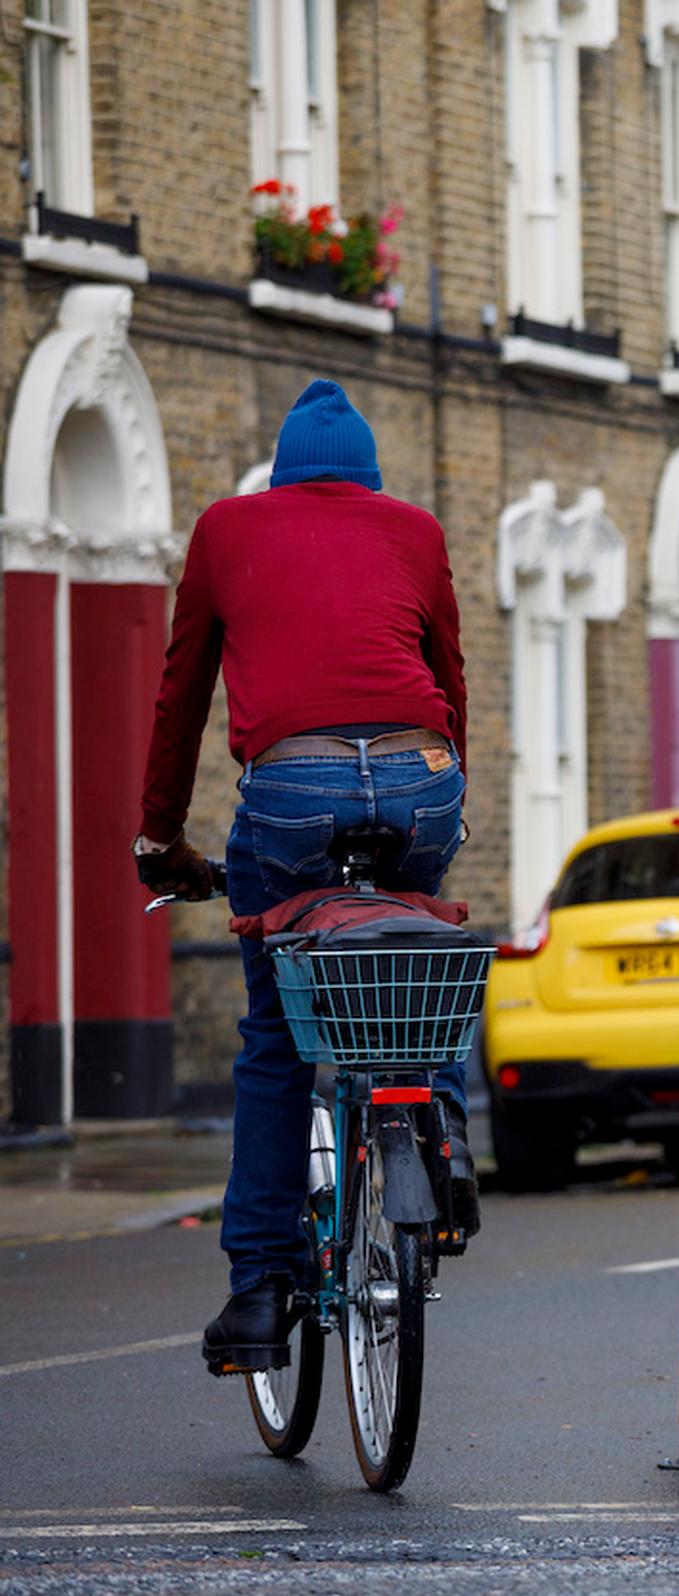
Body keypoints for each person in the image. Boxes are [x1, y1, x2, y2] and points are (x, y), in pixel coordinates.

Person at [132, 379, 478, 1374]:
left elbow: (180, 697)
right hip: (421, 775)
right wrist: (449, 802)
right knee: (417, 949)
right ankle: (442, 1133)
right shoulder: (413, 530)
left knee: (276, 1042)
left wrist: (160, 837)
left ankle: (257, 1292)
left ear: (283, 470)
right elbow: (447, 682)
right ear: (367, 477)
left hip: (290, 789)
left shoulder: (227, 528)